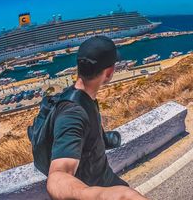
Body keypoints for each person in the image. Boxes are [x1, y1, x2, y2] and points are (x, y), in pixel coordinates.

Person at [46, 36, 147, 200]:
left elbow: (88, 129)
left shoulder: (82, 96)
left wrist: (104, 138)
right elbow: (57, 175)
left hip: (103, 177)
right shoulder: (72, 114)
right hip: (96, 186)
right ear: (108, 72)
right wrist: (100, 195)